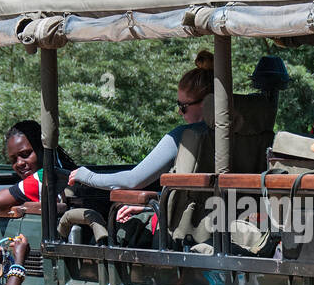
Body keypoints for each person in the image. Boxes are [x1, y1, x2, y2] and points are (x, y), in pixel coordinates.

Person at [67, 49, 214, 224]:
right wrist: (151, 203)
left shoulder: (184, 135)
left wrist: (88, 176)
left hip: (190, 226)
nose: (179, 112)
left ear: (206, 102)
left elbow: (133, 180)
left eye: (183, 106)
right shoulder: (238, 134)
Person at [0, 120, 45, 214]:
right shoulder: (56, 173)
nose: (19, 163)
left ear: (42, 150)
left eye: (26, 154)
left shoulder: (43, 177)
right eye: (13, 160)